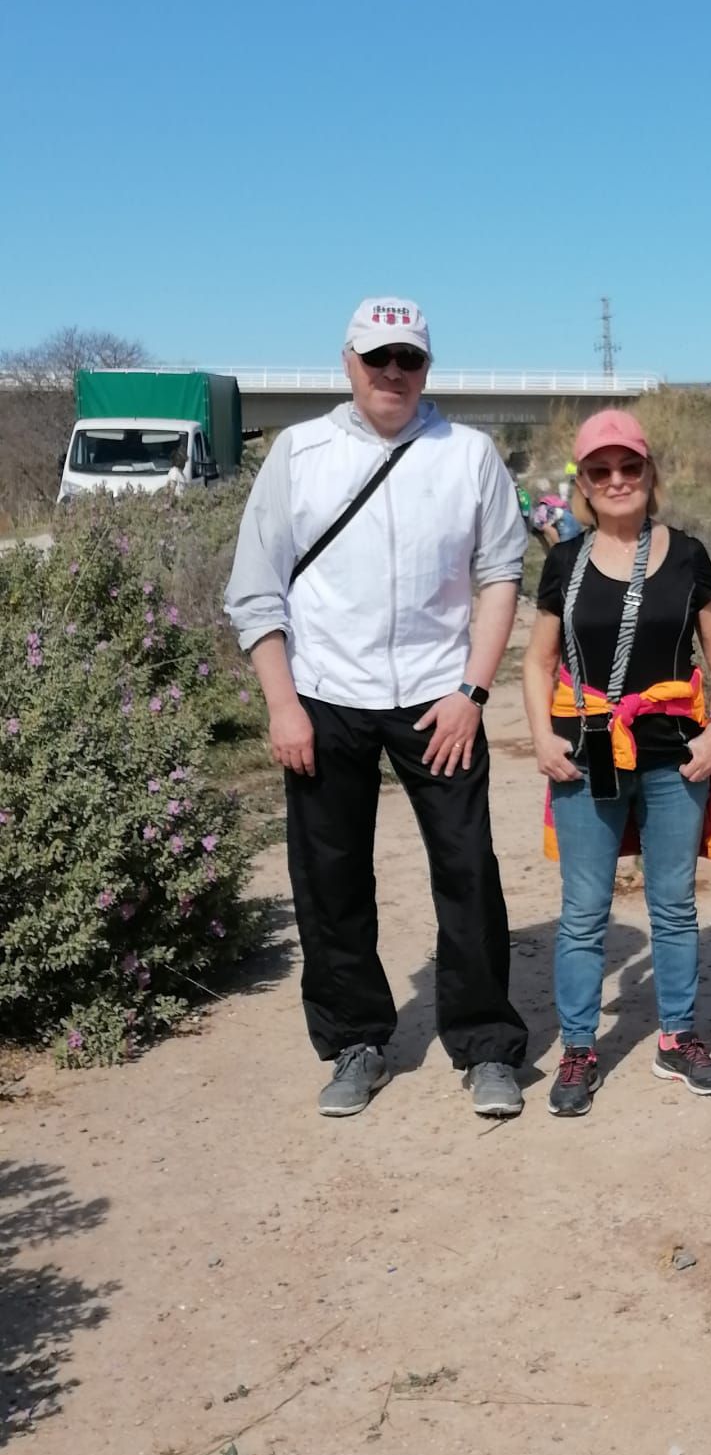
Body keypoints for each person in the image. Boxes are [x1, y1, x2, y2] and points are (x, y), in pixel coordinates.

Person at [225, 296, 530, 1120]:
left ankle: (487, 1045)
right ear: (349, 361)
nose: (394, 373)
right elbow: (256, 591)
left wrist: (472, 691)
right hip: (325, 696)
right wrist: (283, 706)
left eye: (411, 360)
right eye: (378, 358)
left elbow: (501, 574)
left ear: (428, 367)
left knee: (468, 872)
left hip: (439, 698)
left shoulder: (467, 454)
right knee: (330, 880)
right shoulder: (300, 452)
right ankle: (356, 1041)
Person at [522, 410, 711, 1118]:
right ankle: (580, 1048)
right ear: (583, 483)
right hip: (583, 753)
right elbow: (537, 662)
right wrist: (541, 737)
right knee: (584, 911)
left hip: (674, 754)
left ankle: (677, 1038)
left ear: (650, 474)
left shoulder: (688, 555)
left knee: (673, 906)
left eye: (629, 467)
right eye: (600, 471)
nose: (616, 481)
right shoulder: (564, 561)